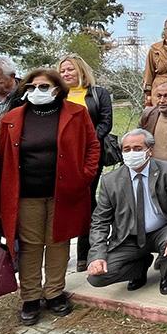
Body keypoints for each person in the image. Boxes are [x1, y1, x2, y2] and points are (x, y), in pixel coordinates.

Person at [0, 68, 100, 326]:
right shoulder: (11, 118)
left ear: (57, 89)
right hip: (26, 194)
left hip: (63, 192)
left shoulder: (76, 113)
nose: (36, 91)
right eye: (31, 86)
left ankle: (54, 292)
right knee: (30, 245)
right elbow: (2, 158)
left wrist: (84, 176)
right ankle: (30, 297)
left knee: (58, 242)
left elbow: (92, 146)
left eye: (43, 86)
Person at [86, 129, 167, 295]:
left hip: (162, 231)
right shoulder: (110, 181)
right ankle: (139, 267)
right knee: (96, 278)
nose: (132, 153)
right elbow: (99, 221)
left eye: (138, 148)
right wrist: (97, 256)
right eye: (127, 149)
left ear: (150, 151)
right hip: (128, 237)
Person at [58, 54, 114, 272]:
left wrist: (87, 141)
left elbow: (105, 123)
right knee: (63, 204)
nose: (66, 74)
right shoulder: (57, 96)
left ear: (81, 70)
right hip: (63, 158)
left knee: (87, 202)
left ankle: (86, 252)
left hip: (90, 156)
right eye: (62, 71)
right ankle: (60, 253)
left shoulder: (98, 94)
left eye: (70, 69)